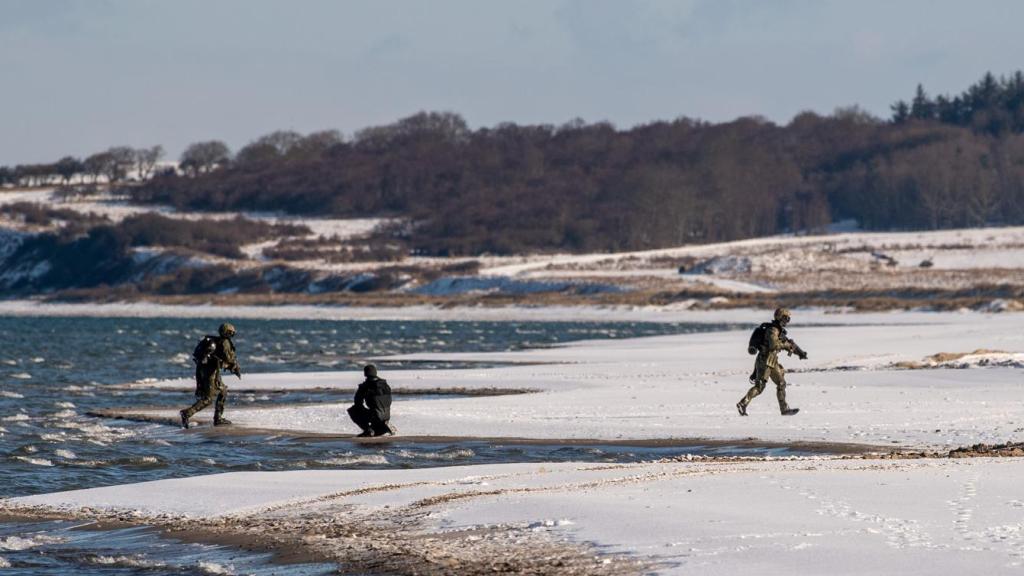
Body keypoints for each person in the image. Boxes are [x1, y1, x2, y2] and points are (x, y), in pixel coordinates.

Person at [736, 308, 807, 416]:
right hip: (765, 360)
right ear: (779, 317)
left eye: (788, 319)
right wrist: (786, 345)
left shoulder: (778, 330)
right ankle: (743, 403)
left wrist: (800, 353)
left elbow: (786, 344)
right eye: (786, 318)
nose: (787, 321)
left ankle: (784, 409)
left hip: (772, 360)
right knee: (759, 387)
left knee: (781, 383)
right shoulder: (773, 330)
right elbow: (774, 345)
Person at [180, 322, 241, 429]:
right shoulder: (224, 343)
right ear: (227, 332)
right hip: (210, 372)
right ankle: (187, 413)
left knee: (223, 391)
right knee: (208, 399)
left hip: (207, 370)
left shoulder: (216, 341)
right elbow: (228, 359)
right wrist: (234, 366)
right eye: (231, 332)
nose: (232, 334)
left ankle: (218, 418)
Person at [348, 364, 396, 437]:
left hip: (375, 415)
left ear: (365, 373)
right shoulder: (385, 385)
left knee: (353, 410)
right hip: (386, 415)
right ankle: (384, 426)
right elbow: (389, 401)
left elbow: (357, 403)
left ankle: (368, 430)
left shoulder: (365, 386)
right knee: (376, 432)